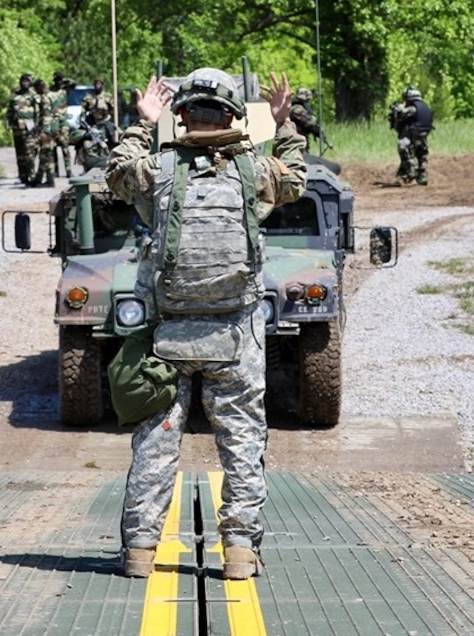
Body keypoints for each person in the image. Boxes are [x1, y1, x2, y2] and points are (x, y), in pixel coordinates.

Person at [105, 68, 307, 580]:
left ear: (181, 114)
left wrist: (139, 123)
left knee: (156, 441)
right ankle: (239, 552)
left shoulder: (158, 169)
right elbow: (296, 182)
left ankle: (139, 553)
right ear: (235, 114)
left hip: (166, 334)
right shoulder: (254, 172)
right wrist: (282, 125)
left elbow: (116, 175)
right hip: (235, 336)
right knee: (241, 441)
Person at [389, 86, 434, 186]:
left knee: (403, 148)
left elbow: (401, 114)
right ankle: (422, 177)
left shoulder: (413, 108)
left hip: (414, 134)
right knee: (421, 155)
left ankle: (411, 171)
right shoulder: (425, 107)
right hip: (424, 135)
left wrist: (398, 108)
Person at [71, 97, 118, 171]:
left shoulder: (109, 126)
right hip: (89, 157)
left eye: (100, 111)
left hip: (106, 156)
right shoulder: (87, 123)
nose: (97, 113)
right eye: (95, 111)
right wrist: (85, 135)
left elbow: (117, 141)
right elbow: (73, 136)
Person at [5, 73, 36, 185]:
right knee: (20, 153)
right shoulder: (15, 95)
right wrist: (7, 123)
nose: (25, 83)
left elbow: (39, 111)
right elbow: (9, 111)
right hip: (17, 127)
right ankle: (22, 176)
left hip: (30, 128)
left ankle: (32, 175)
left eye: (27, 81)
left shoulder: (33, 95)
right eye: (23, 81)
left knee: (30, 153)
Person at [27, 77, 55, 187]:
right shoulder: (51, 95)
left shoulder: (45, 98)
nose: (35, 91)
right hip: (50, 129)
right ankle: (45, 179)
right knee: (47, 155)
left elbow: (47, 116)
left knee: (45, 155)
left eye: (36, 88)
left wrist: (44, 132)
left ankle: (48, 180)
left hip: (47, 131)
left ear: (40, 87)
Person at [289, 88, 333, 154]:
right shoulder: (297, 109)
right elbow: (311, 123)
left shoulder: (293, 107)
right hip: (296, 141)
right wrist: (319, 133)